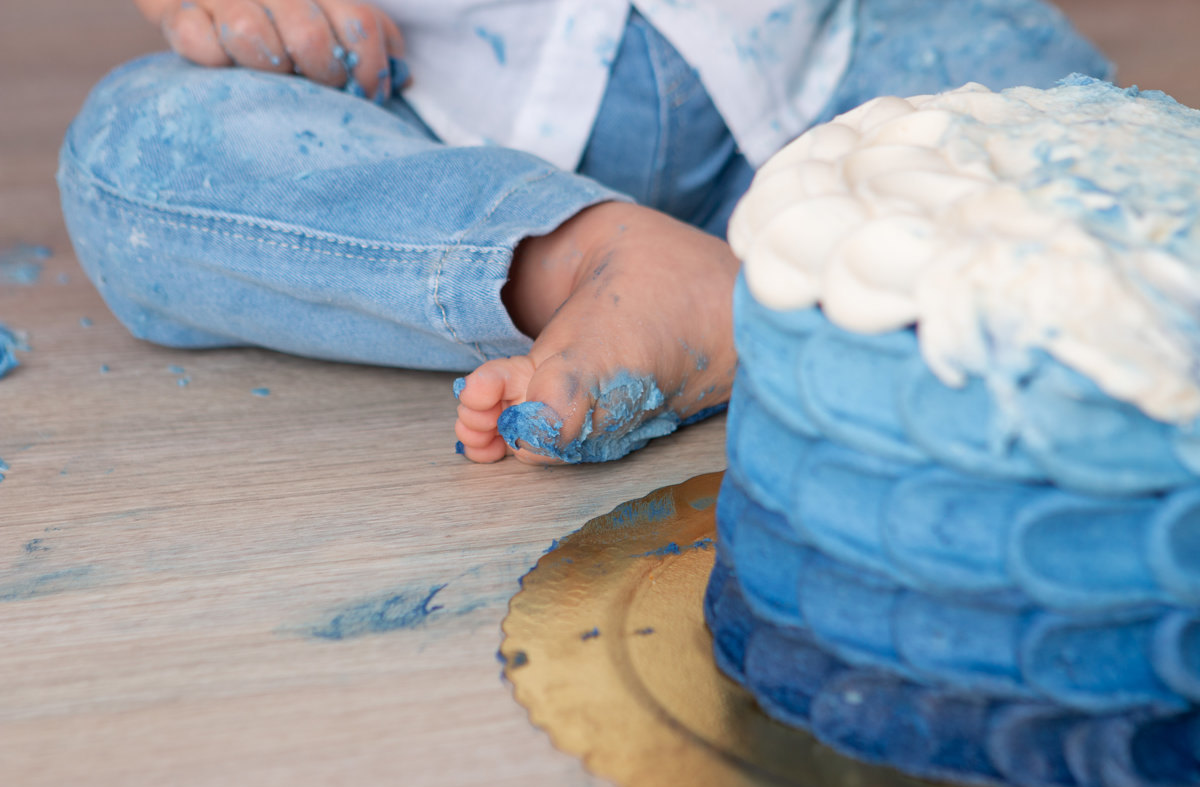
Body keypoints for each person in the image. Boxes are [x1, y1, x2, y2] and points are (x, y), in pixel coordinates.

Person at [58, 0, 1109, 464]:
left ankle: (764, 267)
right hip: (424, 122)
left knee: (1042, 71)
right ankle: (585, 261)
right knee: (137, 152)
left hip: (808, 86)